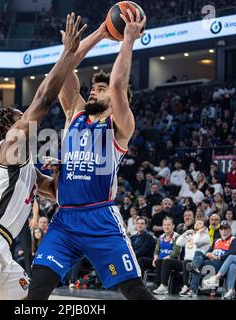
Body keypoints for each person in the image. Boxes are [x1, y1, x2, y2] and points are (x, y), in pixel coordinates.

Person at [0, 12, 85, 300]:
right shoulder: (8, 148)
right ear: (11, 127)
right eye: (21, 117)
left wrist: (58, 170)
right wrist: (68, 53)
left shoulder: (26, 167)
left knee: (29, 300)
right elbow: (45, 100)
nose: (28, 119)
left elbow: (56, 193)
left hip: (3, 245)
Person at [29, 11, 154, 300]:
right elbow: (61, 74)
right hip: (65, 220)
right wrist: (98, 33)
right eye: (93, 88)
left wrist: (128, 40)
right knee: (38, 289)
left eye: (100, 89)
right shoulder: (74, 114)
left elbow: (118, 86)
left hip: (100, 218)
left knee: (133, 289)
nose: (94, 92)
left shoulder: (120, 126)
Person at [185, 221, 236, 297]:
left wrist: (217, 257)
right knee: (198, 253)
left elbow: (232, 254)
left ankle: (192, 289)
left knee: (199, 265)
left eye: (226, 229)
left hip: (222, 264)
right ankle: (194, 265)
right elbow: (208, 252)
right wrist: (208, 254)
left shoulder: (234, 240)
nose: (224, 231)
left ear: (230, 230)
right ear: (220, 231)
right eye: (222, 229)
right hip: (211, 260)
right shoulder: (216, 241)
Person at [138, 217, 180, 290]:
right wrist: (155, 259)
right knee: (142, 260)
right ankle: (139, 284)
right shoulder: (161, 237)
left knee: (162, 261)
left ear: (173, 226)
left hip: (172, 261)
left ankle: (159, 285)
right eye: (165, 225)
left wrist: (162, 259)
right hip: (159, 261)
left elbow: (176, 252)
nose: (166, 227)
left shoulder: (177, 237)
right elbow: (156, 250)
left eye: (168, 225)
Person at [177, 220, 210, 296]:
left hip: (198, 260)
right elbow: (178, 243)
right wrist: (186, 232)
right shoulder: (190, 236)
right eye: (196, 223)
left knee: (188, 262)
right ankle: (185, 286)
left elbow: (195, 241)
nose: (197, 224)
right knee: (186, 262)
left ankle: (187, 286)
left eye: (200, 223)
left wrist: (199, 232)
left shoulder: (205, 236)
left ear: (204, 227)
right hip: (188, 260)